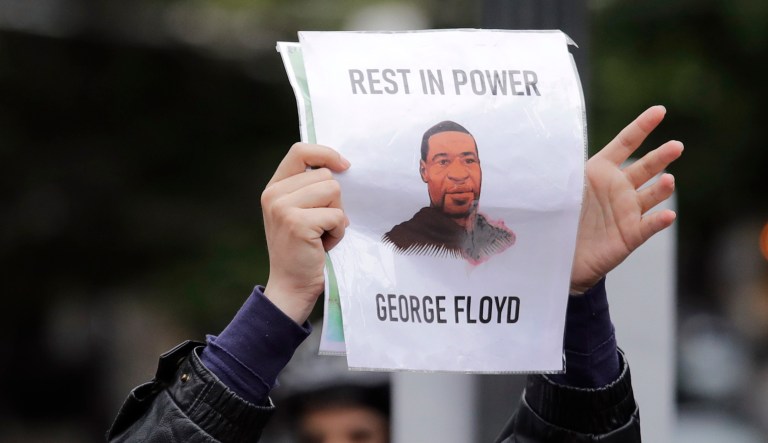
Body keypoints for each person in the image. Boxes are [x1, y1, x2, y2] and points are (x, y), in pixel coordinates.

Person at [106, 105, 683, 442]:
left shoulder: (493, 242)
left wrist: (574, 295)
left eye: (360, 438)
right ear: (422, 174)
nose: (457, 175)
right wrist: (282, 299)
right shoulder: (403, 235)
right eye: (316, 440)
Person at [382, 120, 515, 263]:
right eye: (443, 162)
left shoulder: (502, 240)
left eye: (469, 161)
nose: (459, 175)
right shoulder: (399, 242)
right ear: (423, 171)